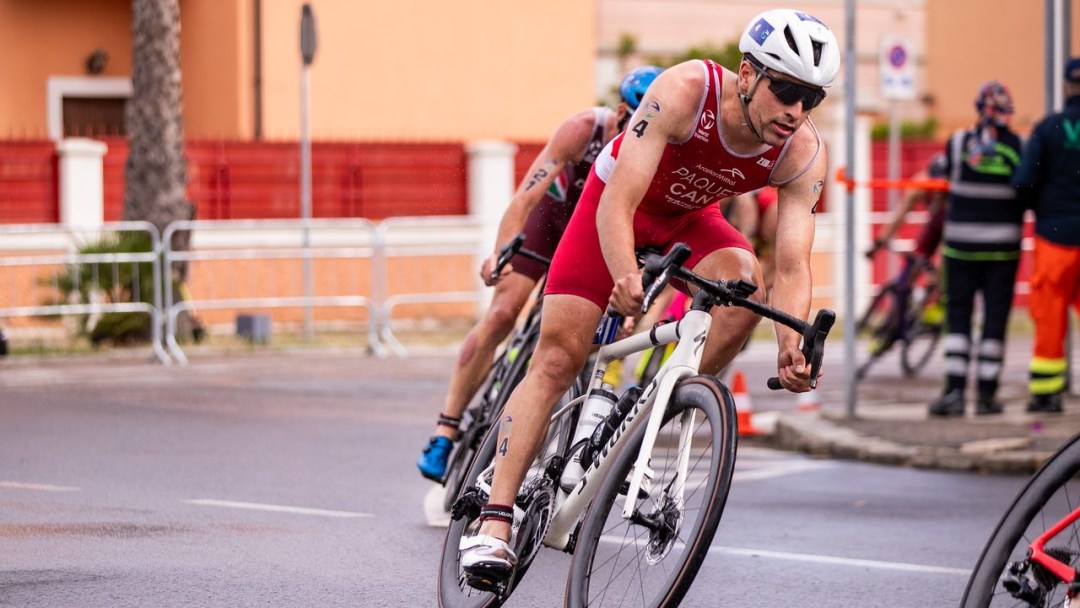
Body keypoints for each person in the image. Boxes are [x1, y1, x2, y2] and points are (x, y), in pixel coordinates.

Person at [459, 8, 840, 586]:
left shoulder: (801, 152)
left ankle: (660, 405)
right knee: (559, 357)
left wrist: (792, 341)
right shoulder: (686, 91)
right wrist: (623, 276)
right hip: (612, 208)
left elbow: (792, 262)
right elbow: (617, 202)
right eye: (785, 90)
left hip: (689, 219)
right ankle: (494, 522)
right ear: (746, 75)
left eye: (810, 98)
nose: (795, 111)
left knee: (745, 280)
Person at [416, 66, 664, 481]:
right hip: (552, 222)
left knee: (585, 340)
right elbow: (526, 196)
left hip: (599, 235)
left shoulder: (661, 152)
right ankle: (446, 427)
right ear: (622, 111)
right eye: (637, 121)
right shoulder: (583, 130)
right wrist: (501, 252)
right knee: (503, 311)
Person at [927, 80, 1025, 417]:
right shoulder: (1019, 146)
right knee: (995, 320)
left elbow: (939, 179)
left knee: (959, 319)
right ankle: (986, 396)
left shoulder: (957, 143)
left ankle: (954, 392)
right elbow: (1026, 189)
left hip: (961, 249)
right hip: (1003, 251)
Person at [1010, 57, 1080, 414]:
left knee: (1050, 313)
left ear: (1067, 86)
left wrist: (1041, 208)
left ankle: (1046, 396)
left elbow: (1023, 182)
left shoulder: (1049, 128)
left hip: (1055, 235)